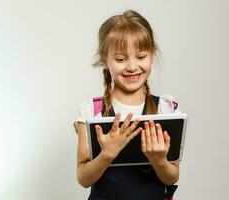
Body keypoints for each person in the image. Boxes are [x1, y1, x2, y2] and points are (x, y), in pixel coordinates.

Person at [74, 9, 181, 200]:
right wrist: (107, 154)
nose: (132, 66)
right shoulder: (92, 111)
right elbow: (83, 178)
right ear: (104, 61)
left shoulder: (165, 108)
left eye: (141, 57)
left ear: (151, 54)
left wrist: (159, 161)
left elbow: (172, 177)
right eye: (121, 59)